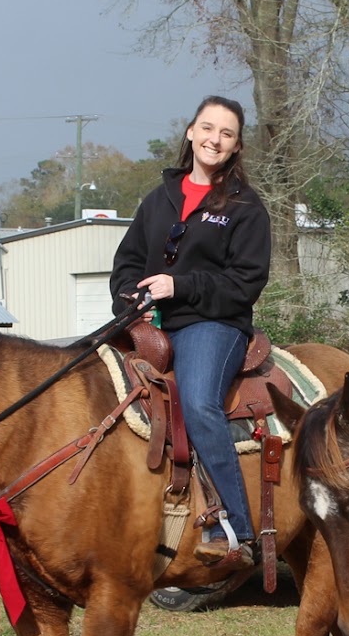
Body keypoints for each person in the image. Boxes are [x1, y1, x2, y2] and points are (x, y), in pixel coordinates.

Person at [111, 95, 272, 574]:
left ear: (237, 145)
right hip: (149, 321)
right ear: (190, 132)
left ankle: (236, 529)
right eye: (207, 128)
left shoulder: (246, 207)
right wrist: (129, 298)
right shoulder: (159, 198)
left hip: (213, 324)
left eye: (225, 133)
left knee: (200, 403)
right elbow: (127, 263)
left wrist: (179, 285)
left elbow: (245, 283)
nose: (213, 139)